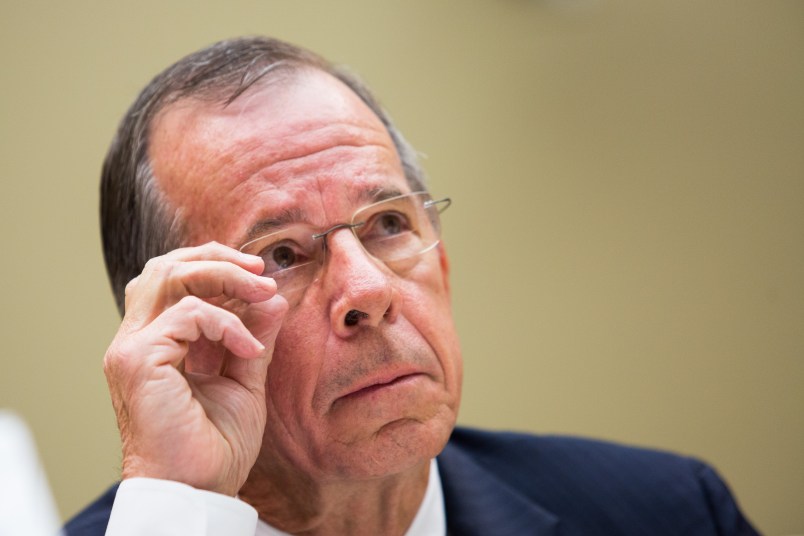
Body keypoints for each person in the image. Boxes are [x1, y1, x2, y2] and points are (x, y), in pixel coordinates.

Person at [64, 36, 760, 535]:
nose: (367, 289)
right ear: (184, 341)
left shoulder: (670, 512)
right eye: (281, 254)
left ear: (443, 263)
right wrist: (179, 503)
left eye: (388, 223)